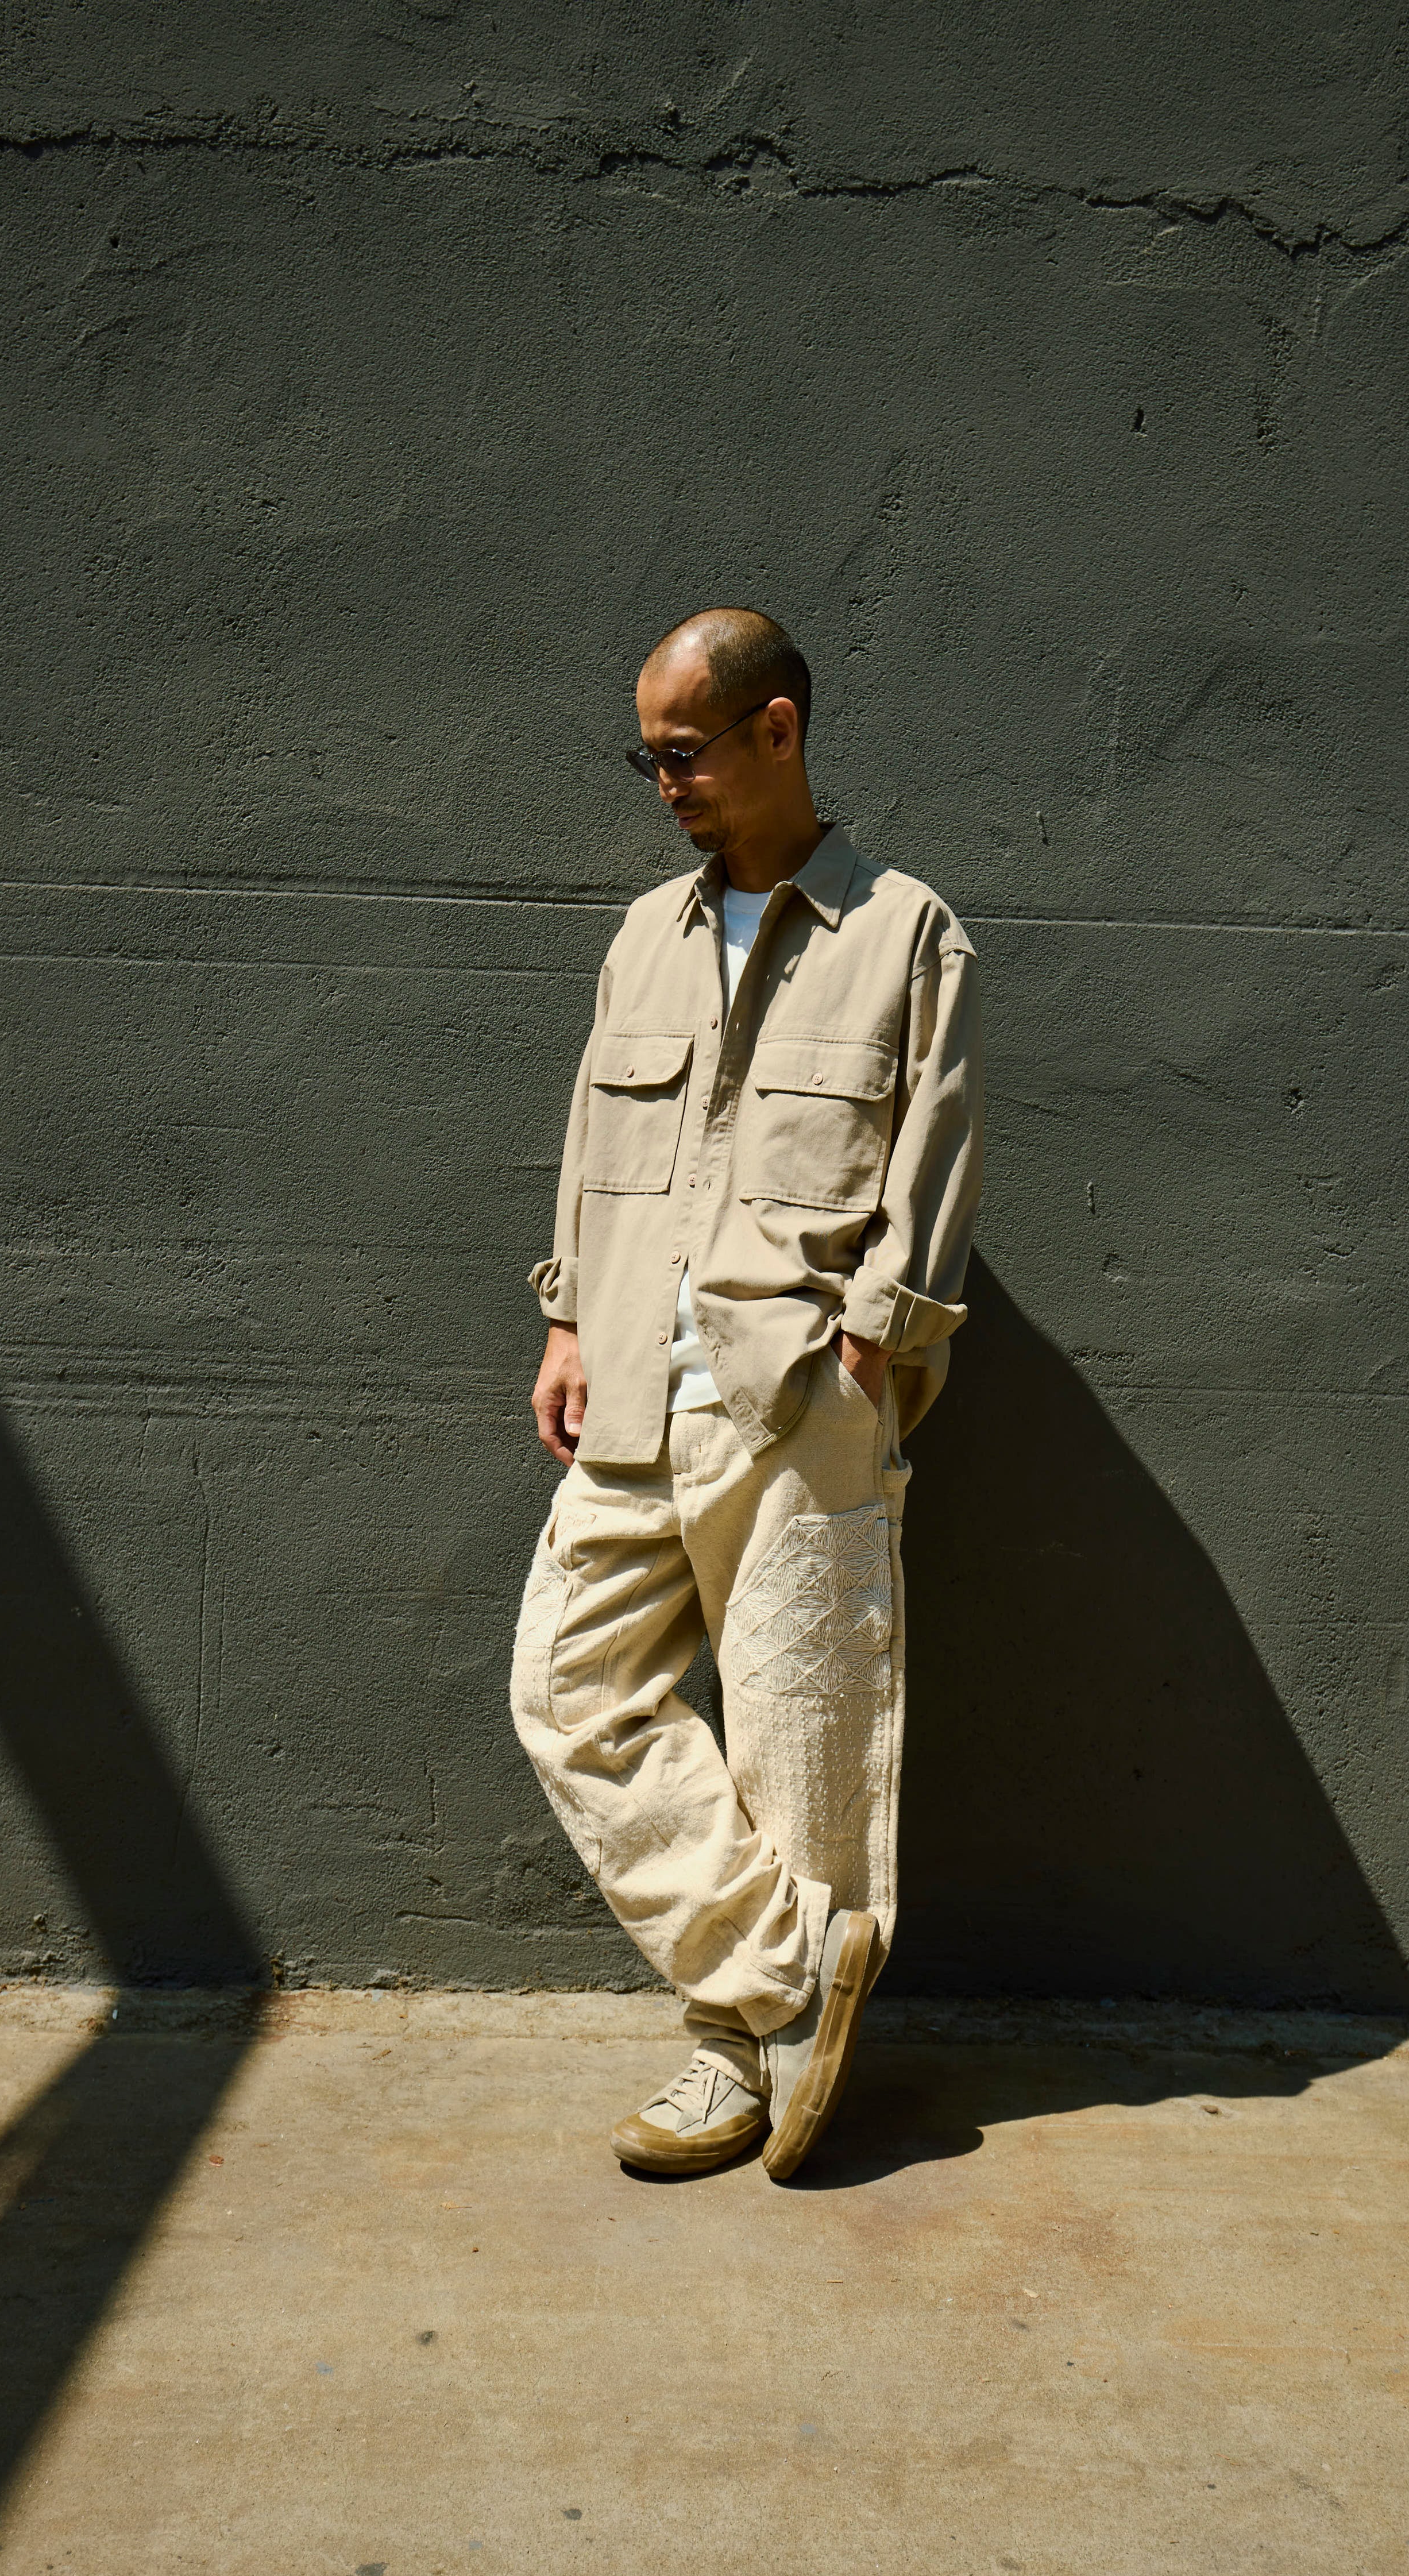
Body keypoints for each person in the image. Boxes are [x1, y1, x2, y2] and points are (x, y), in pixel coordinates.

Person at [511, 606, 982, 2179]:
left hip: (798, 1397)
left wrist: (879, 1336)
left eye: (684, 751)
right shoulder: (646, 934)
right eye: (644, 755)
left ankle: (734, 2063)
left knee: (799, 1743)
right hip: (635, 1385)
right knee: (568, 1693)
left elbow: (938, 1158)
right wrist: (570, 1320)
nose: (661, 783)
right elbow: (594, 1141)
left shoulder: (907, 934)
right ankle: (788, 1980)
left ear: (778, 729)